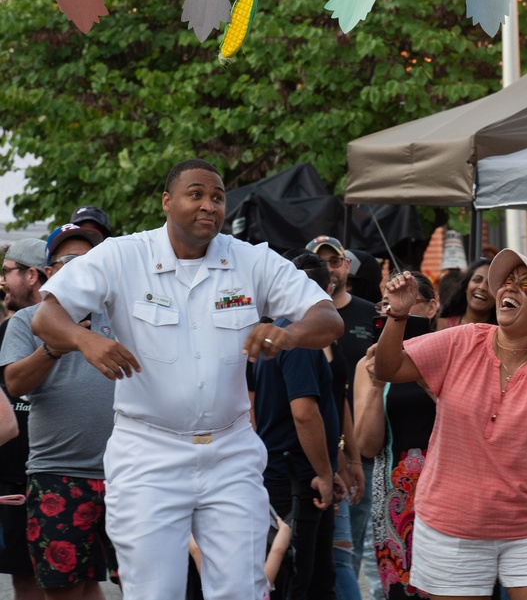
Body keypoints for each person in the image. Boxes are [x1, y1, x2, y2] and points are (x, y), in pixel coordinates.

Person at [31, 159, 343, 600]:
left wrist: (288, 333)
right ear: (167, 201)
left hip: (231, 451)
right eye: (195, 194)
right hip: (148, 453)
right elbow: (47, 317)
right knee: (155, 591)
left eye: (217, 197)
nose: (208, 206)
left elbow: (328, 317)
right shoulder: (123, 255)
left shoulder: (251, 260)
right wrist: (85, 340)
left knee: (242, 589)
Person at [375, 248, 527, 599]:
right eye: (507, 282)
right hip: (452, 524)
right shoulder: (465, 339)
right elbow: (388, 369)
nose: (510, 289)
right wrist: (398, 317)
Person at [2, 224, 116, 600]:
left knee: (141, 584)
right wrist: (54, 346)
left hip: (128, 473)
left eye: (90, 260)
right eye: (69, 260)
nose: (81, 267)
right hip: (58, 475)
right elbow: (15, 383)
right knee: (63, 589)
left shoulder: (123, 315)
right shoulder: (27, 320)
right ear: (49, 271)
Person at [254, 252, 348, 600]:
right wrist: (324, 473)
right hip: (294, 475)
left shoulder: (281, 332)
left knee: (316, 580)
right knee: (298, 583)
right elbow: (304, 412)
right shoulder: (298, 340)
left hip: (294, 469)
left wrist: (330, 469)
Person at [355, 271, 438, 599]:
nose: (395, 313)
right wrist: (377, 384)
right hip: (394, 498)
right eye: (388, 306)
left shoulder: (454, 355)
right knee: (401, 591)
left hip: (451, 492)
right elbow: (366, 445)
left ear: (431, 308)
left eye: (407, 304)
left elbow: (472, 423)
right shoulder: (370, 364)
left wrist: (425, 379)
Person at [305, 236, 375, 593]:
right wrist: (332, 464)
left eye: (335, 261)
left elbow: (344, 393)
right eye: (321, 265)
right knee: (331, 557)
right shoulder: (301, 331)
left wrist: (355, 458)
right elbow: (307, 409)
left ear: (346, 266)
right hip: (313, 459)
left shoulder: (368, 314)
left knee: (350, 550)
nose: (329, 270)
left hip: (361, 449)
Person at [0, 238, 47, 600]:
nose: (2, 280)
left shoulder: (78, 329)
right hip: (13, 485)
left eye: (7, 271)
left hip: (62, 475)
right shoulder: (2, 334)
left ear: (32, 275)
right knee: (24, 581)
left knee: (80, 581)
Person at [436, 258, 496, 330]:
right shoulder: (441, 325)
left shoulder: (502, 335)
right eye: (477, 280)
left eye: (490, 284)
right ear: (466, 287)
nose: (482, 287)